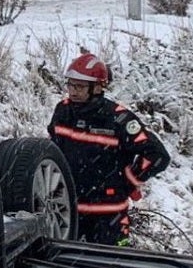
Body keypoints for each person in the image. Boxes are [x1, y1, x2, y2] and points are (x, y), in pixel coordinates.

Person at [48, 52, 170, 245]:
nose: (73, 91)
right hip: (67, 214)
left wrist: (128, 181)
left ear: (97, 87)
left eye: (79, 86)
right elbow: (52, 151)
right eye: (70, 84)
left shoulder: (119, 119)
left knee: (113, 263)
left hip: (109, 219)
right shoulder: (62, 111)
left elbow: (158, 156)